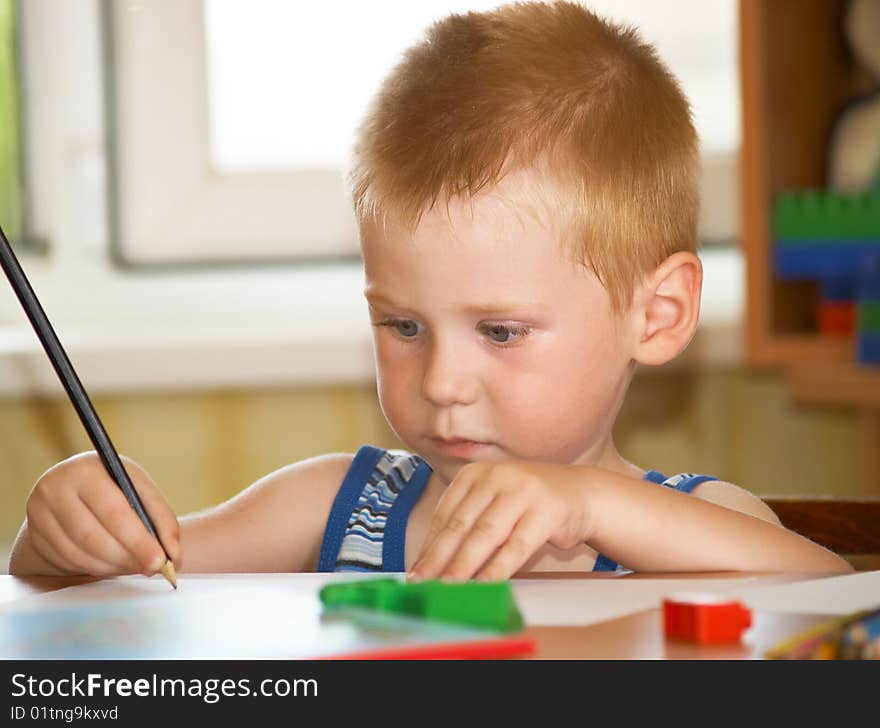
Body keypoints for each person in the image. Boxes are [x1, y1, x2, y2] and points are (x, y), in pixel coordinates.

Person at [8, 1, 852, 582]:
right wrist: (62, 541)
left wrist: (591, 504)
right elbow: (143, 582)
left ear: (658, 315)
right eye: (404, 325)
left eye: (502, 332)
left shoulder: (695, 525)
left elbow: (831, 592)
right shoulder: (333, 504)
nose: (442, 382)